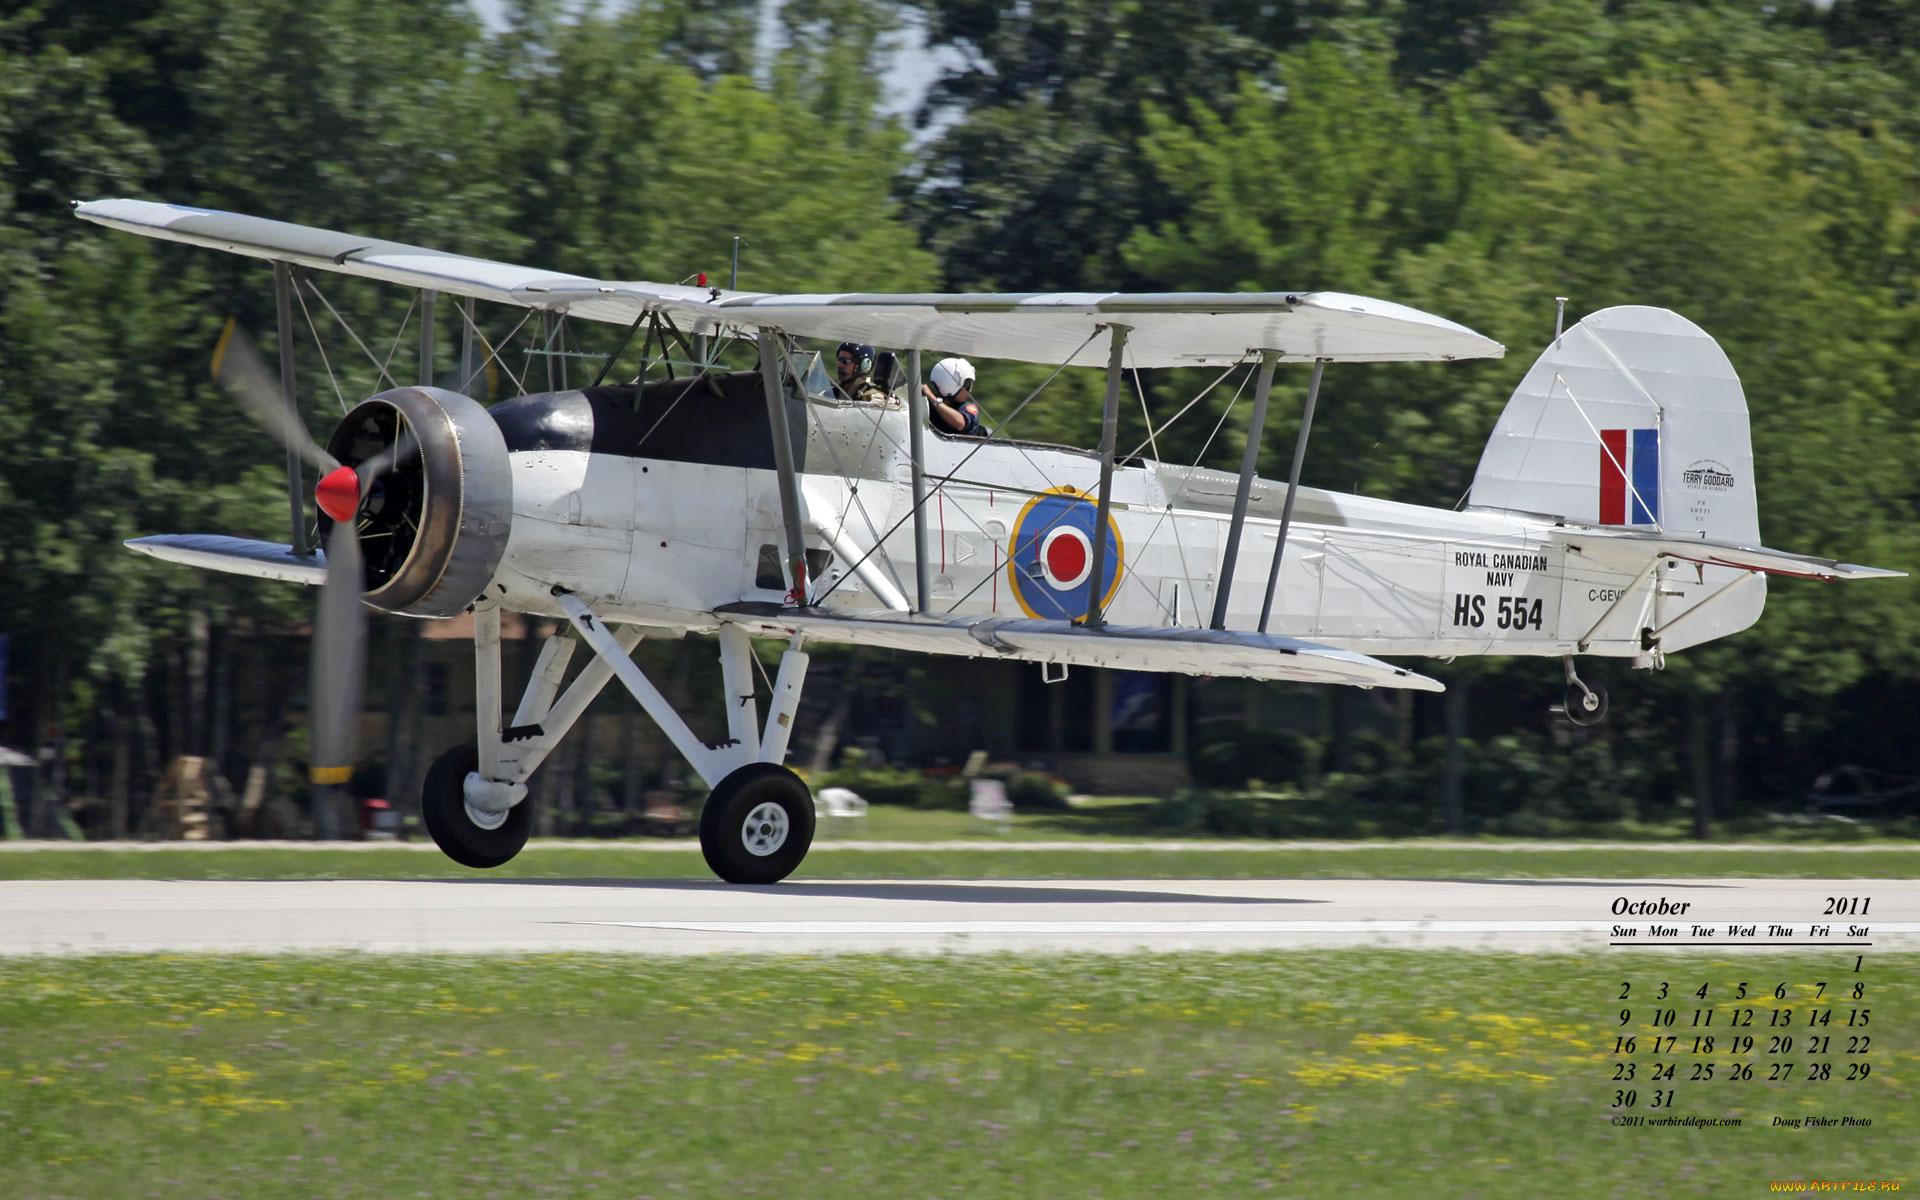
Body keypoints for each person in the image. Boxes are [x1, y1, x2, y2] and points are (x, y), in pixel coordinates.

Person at [925, 356, 984, 436]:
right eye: (967, 385)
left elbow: (960, 423)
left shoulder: (969, 407)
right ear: (952, 385)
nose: (970, 390)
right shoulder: (927, 405)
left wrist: (932, 398)